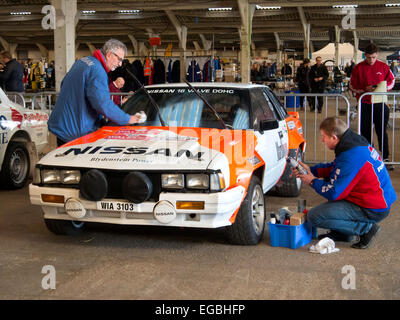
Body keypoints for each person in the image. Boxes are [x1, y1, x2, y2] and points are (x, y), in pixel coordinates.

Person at [293, 117, 396, 249]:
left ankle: (366, 229)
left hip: (373, 207)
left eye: (324, 136)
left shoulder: (350, 156)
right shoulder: (354, 144)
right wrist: (311, 170)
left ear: (334, 138)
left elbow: (334, 193)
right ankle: (344, 234)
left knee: (314, 216)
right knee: (331, 207)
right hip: (378, 200)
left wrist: (312, 181)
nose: (322, 140)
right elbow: (337, 168)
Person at [48, 39, 139, 146]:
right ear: (109, 54)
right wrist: (127, 118)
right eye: (119, 59)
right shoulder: (98, 71)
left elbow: (64, 83)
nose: (120, 64)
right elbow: (103, 103)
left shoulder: (83, 61)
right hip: (76, 132)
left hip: (62, 126)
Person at [350, 43, 395, 169]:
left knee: (382, 131)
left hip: (380, 103)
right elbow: (352, 86)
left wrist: (383, 89)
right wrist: (365, 89)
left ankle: (385, 157)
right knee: (365, 132)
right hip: (364, 104)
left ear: (377, 55)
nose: (372, 60)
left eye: (374, 57)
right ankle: (369, 157)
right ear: (365, 55)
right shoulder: (358, 68)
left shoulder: (384, 66)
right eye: (369, 57)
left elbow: (392, 81)